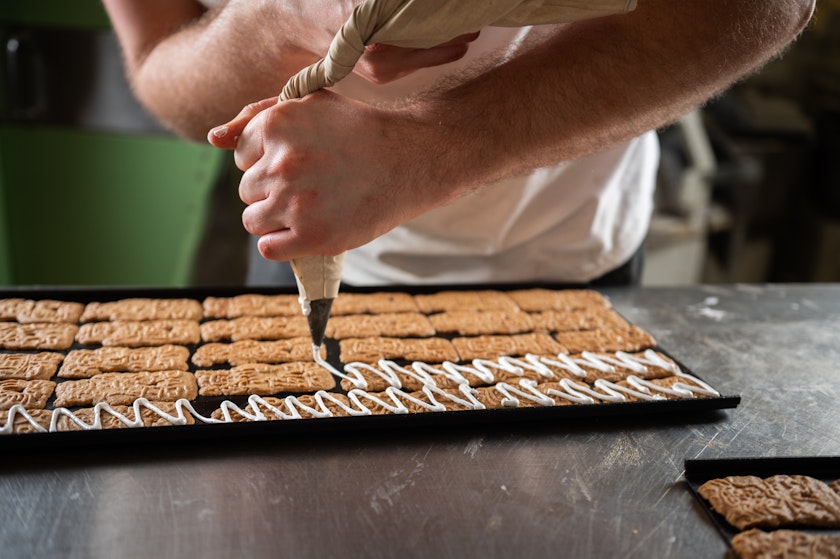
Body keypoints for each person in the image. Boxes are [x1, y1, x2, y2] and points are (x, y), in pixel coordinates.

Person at [102, 0, 815, 287]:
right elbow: (158, 60)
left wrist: (430, 152)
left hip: (570, 243)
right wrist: (278, 21)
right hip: (297, 247)